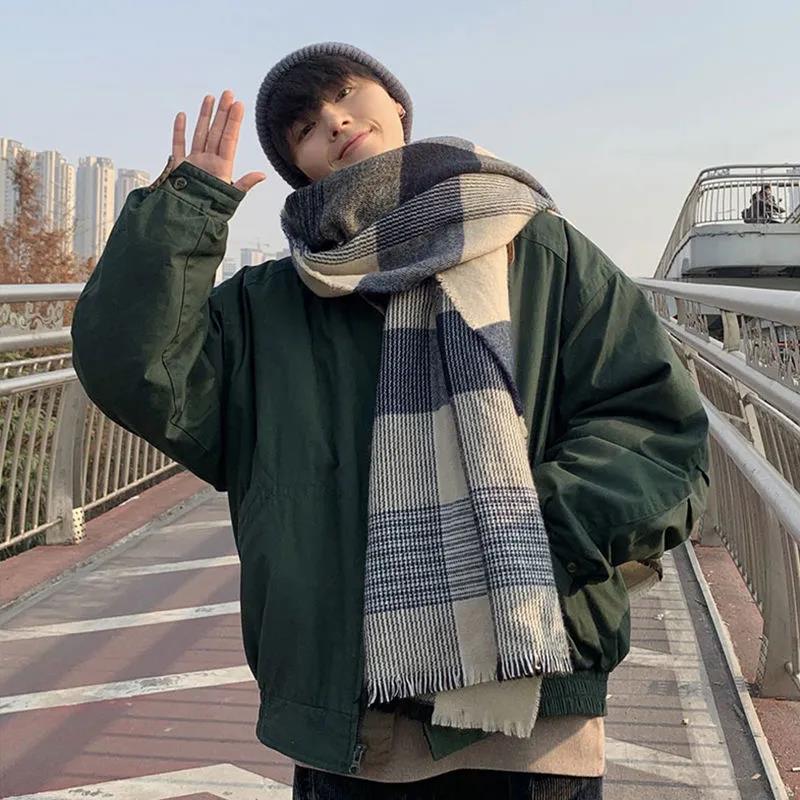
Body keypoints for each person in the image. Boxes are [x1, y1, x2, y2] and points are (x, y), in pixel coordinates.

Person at [71, 42, 709, 800]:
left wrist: (531, 529)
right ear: (298, 165)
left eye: (346, 94)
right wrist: (185, 213)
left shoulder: (538, 248)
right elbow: (137, 373)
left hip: (534, 712)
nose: (334, 122)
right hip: (353, 721)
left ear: (397, 105)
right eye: (305, 127)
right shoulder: (269, 305)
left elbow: (652, 427)